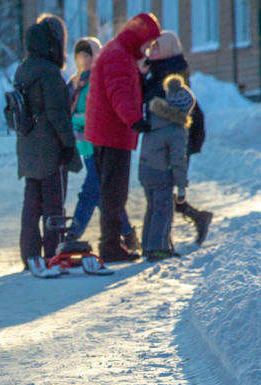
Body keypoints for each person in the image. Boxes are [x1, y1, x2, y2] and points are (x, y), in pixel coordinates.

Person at [85, 13, 161, 262]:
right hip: (112, 134)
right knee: (114, 193)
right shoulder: (118, 55)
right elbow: (119, 92)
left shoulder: (119, 52)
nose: (148, 48)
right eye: (148, 42)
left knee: (112, 192)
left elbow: (123, 87)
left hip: (107, 133)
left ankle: (111, 243)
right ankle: (110, 246)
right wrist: (135, 120)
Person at [14, 14, 81, 269]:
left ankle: (30, 255)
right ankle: (54, 253)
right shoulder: (51, 73)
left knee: (31, 204)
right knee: (53, 202)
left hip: (28, 147)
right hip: (49, 148)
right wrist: (67, 144)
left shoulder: (23, 68)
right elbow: (57, 113)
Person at [68, 37, 140, 252]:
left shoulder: (98, 79)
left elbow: (94, 112)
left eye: (87, 56)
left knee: (93, 190)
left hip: (99, 142)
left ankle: (74, 233)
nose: (83, 61)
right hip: (84, 144)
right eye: (79, 57)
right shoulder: (76, 82)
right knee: (103, 192)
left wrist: (80, 121)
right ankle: (127, 234)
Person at [143, 30, 212, 245]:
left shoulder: (174, 72)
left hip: (174, 141)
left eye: (155, 46)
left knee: (162, 191)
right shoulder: (158, 70)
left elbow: (178, 110)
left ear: (166, 49)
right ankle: (191, 220)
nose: (150, 49)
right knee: (161, 191)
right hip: (163, 140)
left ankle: (164, 240)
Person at [139, 74, 195, 262]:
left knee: (152, 208)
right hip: (161, 173)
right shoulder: (177, 129)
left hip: (145, 170)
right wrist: (181, 186)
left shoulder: (155, 118)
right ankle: (158, 248)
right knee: (164, 211)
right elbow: (178, 160)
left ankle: (147, 246)